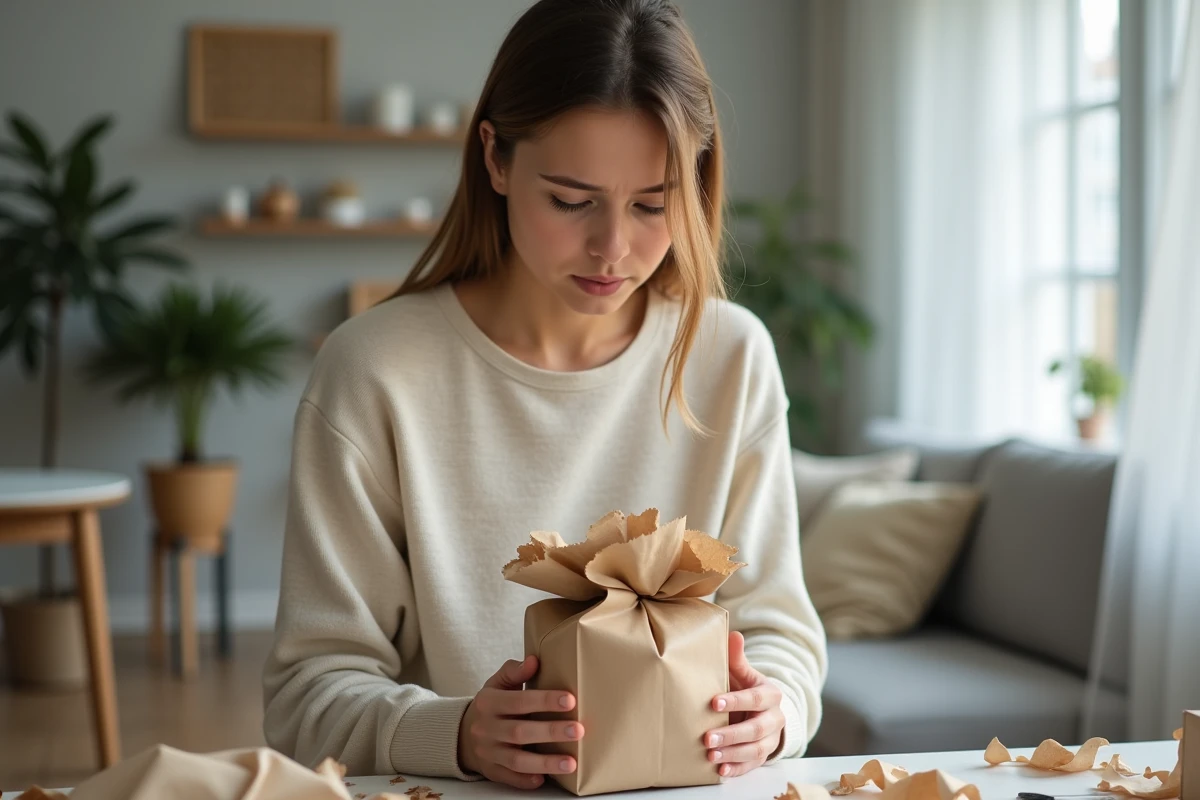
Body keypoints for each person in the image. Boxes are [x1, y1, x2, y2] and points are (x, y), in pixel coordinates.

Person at [262, 0, 827, 790]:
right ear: (495, 158)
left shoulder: (731, 356)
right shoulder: (374, 370)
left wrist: (775, 712)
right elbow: (306, 695)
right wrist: (456, 732)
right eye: (570, 200)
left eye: (653, 203)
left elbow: (780, 635)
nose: (612, 247)